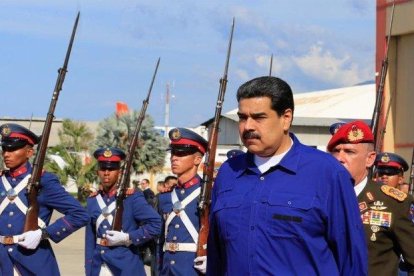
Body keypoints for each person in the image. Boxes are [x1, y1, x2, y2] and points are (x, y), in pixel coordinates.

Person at [207, 76, 367, 275]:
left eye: (259, 117)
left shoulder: (326, 173)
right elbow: (217, 255)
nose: (247, 126)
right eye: (242, 117)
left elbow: (351, 258)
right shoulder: (229, 173)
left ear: (286, 118)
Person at [0, 123, 89, 275]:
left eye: (13, 149)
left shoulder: (44, 181)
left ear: (29, 152)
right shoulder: (1, 180)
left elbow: (80, 214)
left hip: (33, 263)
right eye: (5, 149)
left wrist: (43, 234)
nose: (6, 154)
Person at [327, 120, 414, 276]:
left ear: (370, 159)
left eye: (349, 151)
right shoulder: (318, 196)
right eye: (335, 150)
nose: (339, 158)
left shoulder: (393, 203)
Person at [85, 147, 162, 275]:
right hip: (99, 266)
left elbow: (156, 224)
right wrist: (89, 268)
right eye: (103, 168)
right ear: (97, 171)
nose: (106, 173)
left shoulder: (132, 198)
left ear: (120, 172)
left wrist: (128, 237)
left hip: (126, 267)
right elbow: (90, 239)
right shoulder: (92, 200)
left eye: (111, 169)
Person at [158, 128, 208, 275]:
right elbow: (160, 240)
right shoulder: (165, 197)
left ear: (197, 159)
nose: (174, 157)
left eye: (181, 153)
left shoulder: (210, 193)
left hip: (193, 270)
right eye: (173, 152)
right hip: (167, 270)